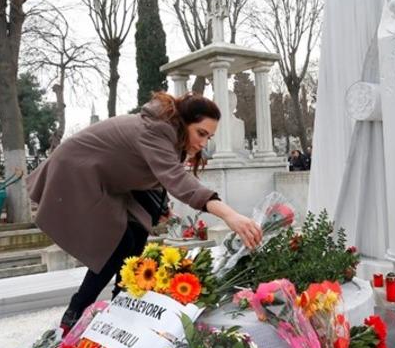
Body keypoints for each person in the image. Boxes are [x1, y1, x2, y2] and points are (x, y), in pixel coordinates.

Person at [28, 92, 264, 331]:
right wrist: (229, 215)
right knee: (118, 243)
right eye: (201, 133)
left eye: (209, 137)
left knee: (139, 232)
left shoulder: (169, 133)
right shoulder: (158, 130)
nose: (203, 143)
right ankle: (75, 314)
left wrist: (160, 207)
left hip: (110, 177)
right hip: (78, 171)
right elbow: (177, 179)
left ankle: (124, 304)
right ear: (184, 122)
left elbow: (158, 173)